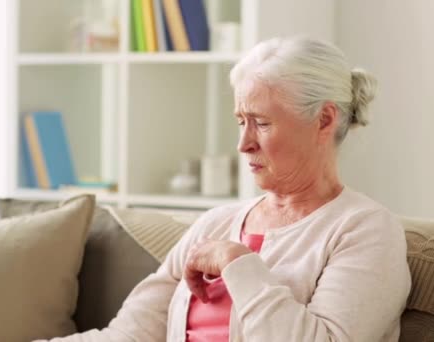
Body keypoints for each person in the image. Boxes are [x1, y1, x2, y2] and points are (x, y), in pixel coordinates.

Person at [41, 36, 411, 342]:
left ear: (324, 120)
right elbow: (127, 337)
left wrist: (236, 263)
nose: (243, 143)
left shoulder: (365, 231)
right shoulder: (215, 225)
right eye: (240, 121)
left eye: (262, 123)